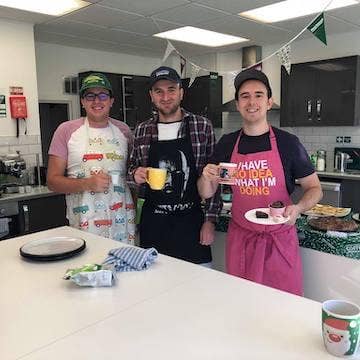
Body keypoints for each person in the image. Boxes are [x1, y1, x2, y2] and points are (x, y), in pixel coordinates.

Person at [198, 68, 322, 295]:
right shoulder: (227, 143)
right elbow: (207, 193)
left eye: (258, 95)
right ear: (237, 104)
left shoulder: (288, 143)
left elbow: (315, 188)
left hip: (279, 241)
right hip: (241, 240)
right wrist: (206, 177)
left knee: (283, 307)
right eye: (244, 96)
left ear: (269, 102)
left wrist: (299, 208)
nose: (251, 101)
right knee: (243, 303)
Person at [128, 66, 220, 265]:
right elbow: (130, 169)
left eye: (171, 89)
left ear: (181, 92)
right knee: (155, 287)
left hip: (192, 224)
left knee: (199, 287)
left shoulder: (201, 126)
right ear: (151, 96)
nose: (166, 96)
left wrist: (210, 221)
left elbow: (214, 176)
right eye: (159, 91)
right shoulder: (142, 130)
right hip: (154, 224)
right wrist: (135, 174)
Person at [47, 73, 136, 243]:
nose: (97, 101)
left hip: (122, 220)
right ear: (82, 101)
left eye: (103, 95)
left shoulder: (124, 131)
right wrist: (87, 183)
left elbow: (132, 173)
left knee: (124, 266)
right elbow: (52, 181)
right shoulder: (66, 131)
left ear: (111, 100)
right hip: (84, 220)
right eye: (90, 96)